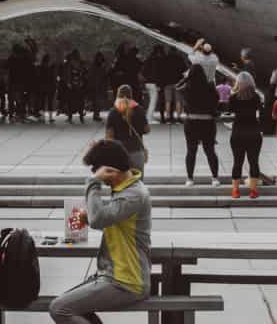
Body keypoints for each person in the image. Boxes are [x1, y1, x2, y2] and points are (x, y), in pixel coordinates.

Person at [49, 140, 151, 324]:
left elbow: (98, 219)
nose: (99, 177)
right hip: (114, 275)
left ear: (111, 170)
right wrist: (84, 217)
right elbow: (104, 217)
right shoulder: (125, 190)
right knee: (72, 305)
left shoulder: (133, 195)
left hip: (127, 281)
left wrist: (93, 183)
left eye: (99, 172)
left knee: (60, 308)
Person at [176, 65, 219, 187]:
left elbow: (177, 87)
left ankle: (190, 179)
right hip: (208, 122)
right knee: (210, 151)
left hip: (191, 122)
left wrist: (185, 78)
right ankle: (215, 178)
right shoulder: (210, 86)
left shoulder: (187, 87)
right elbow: (216, 99)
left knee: (191, 151)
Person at [104, 84, 149, 172]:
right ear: (131, 95)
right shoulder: (139, 110)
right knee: (137, 183)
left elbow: (109, 136)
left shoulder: (113, 112)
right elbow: (147, 129)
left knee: (120, 183)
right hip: (136, 151)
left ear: (117, 95)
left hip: (119, 153)